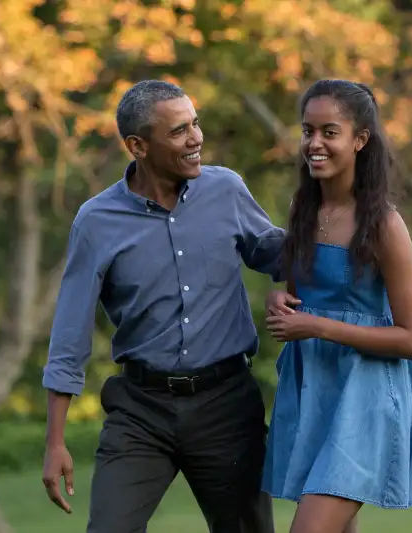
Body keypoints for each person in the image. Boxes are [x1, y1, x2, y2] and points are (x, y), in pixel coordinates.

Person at [41, 79, 284, 533]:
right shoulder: (97, 221)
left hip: (226, 407)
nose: (196, 139)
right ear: (138, 146)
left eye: (195, 124)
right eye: (178, 131)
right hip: (141, 411)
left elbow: (281, 255)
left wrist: (339, 221)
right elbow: (69, 332)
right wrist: (55, 441)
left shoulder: (226, 190)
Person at [260, 79, 412, 533]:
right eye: (307, 131)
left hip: (367, 395)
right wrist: (281, 299)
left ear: (360, 140)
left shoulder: (384, 226)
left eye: (329, 132)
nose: (314, 144)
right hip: (314, 386)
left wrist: (316, 327)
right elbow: (301, 292)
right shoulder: (303, 207)